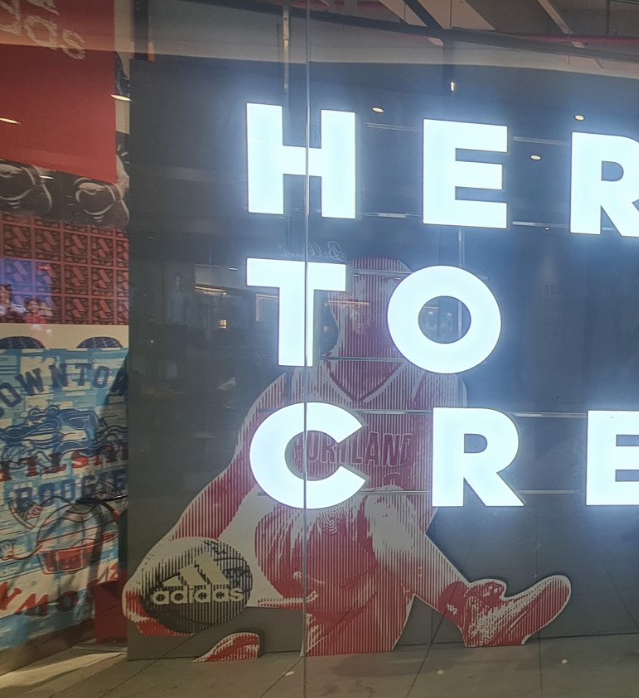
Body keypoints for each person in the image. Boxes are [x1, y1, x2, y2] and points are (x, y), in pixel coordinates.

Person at [124, 256, 571, 656]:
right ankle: (470, 611)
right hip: (293, 541)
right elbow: (231, 485)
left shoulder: (432, 383)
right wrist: (159, 560)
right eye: (368, 300)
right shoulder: (295, 386)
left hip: (384, 548)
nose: (380, 311)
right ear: (339, 306)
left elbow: (425, 495)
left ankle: (229, 665)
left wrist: (389, 559)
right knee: (386, 503)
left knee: (355, 659)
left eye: (394, 300)